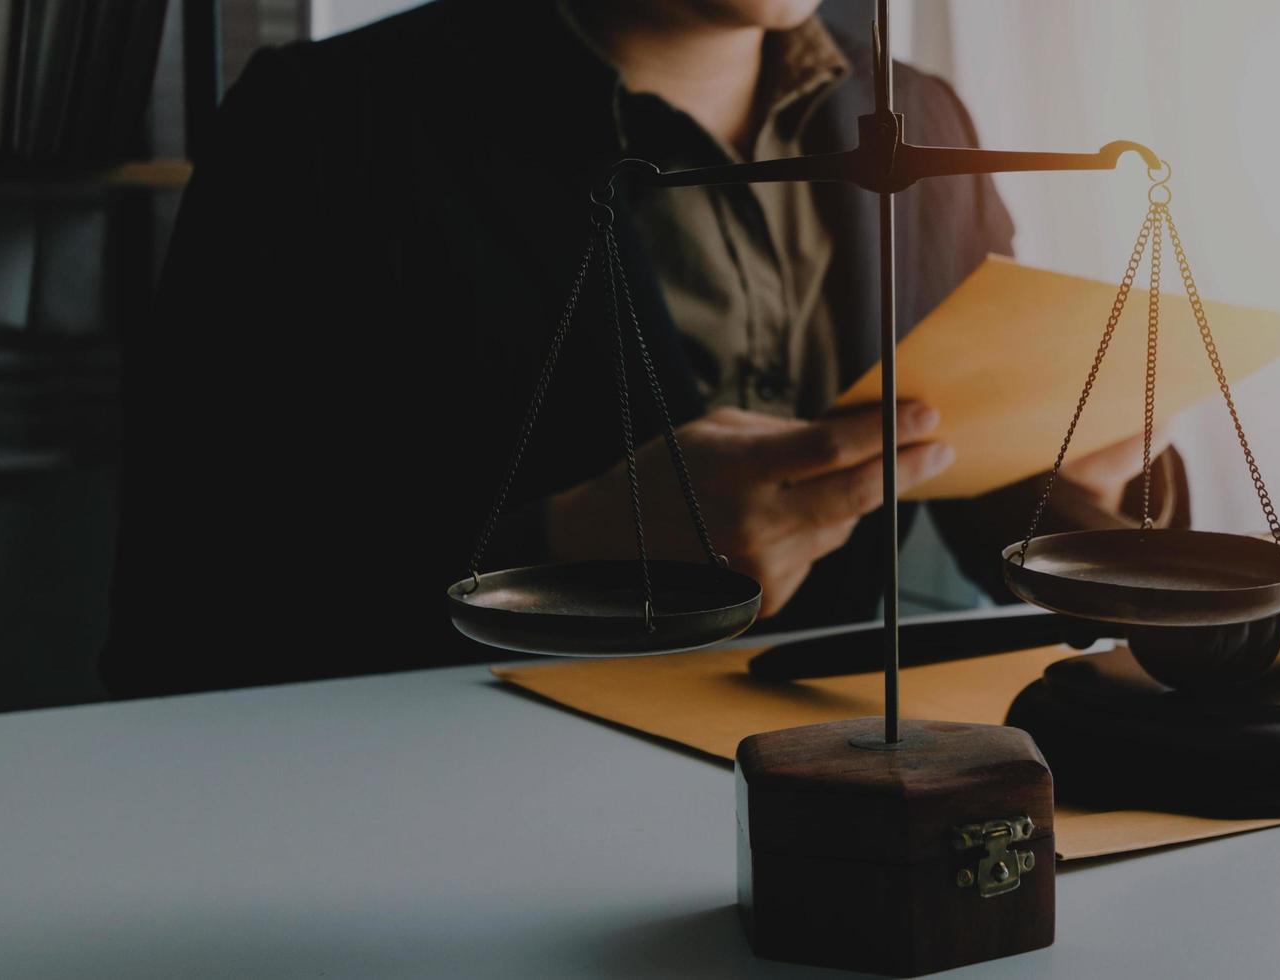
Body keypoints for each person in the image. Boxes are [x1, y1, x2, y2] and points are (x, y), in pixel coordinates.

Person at [104, 0, 1167, 696]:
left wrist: (1085, 499)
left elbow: (973, 482)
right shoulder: (328, 125)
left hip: (817, 760)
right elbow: (190, 600)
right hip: (451, 791)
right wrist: (561, 542)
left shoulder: (912, 114)